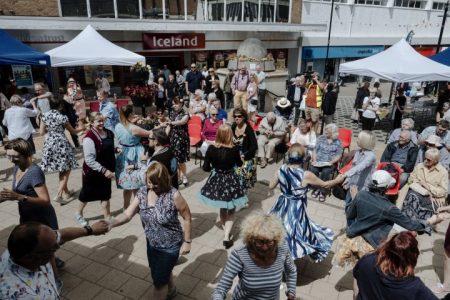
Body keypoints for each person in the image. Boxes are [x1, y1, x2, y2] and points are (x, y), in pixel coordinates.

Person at [109, 162, 192, 300]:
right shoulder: (142, 192)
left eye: (156, 184)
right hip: (151, 242)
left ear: (164, 180)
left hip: (170, 245)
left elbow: (187, 217)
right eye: (149, 183)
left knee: (158, 283)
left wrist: (187, 241)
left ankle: (165, 290)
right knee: (158, 272)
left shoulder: (174, 195)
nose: (152, 187)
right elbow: (128, 214)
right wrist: (111, 223)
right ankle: (171, 290)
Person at [334, 170, 440, 268]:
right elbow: (410, 225)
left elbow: (349, 215)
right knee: (363, 277)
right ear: (387, 188)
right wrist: (431, 221)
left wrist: (355, 225)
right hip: (370, 246)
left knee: (357, 272)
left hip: (353, 238)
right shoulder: (389, 208)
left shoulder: (361, 195)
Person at [2, 138, 63, 289]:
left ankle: (55, 281)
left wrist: (19, 197)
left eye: (15, 156)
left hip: (41, 217)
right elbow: (18, 191)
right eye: (8, 155)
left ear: (26, 154)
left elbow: (45, 200)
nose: (11, 159)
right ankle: (54, 258)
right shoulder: (18, 167)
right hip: (27, 214)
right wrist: (7, 196)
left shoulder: (34, 172)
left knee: (44, 251)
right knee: (41, 247)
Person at [269, 144, 345, 262]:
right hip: (296, 209)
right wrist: (338, 180)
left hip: (281, 204)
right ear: (304, 158)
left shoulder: (281, 169)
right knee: (295, 231)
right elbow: (325, 185)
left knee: (279, 229)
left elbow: (270, 186)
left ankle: (278, 255)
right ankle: (288, 259)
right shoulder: (306, 175)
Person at [0, 221, 109, 299]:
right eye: (54, 248)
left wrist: (90, 230)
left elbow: (61, 235)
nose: (58, 246)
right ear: (30, 257)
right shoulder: (19, 294)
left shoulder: (19, 248)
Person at [212, 212, 297, 300]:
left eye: (270, 242)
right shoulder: (239, 255)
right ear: (250, 239)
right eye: (260, 242)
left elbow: (291, 271)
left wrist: (291, 292)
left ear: (277, 240)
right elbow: (221, 289)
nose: (265, 247)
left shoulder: (282, 249)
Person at [198, 124, 248, 248]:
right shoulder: (235, 149)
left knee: (222, 206)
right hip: (231, 180)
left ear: (218, 135)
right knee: (231, 208)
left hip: (217, 179)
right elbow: (240, 164)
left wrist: (214, 167)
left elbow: (205, 168)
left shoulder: (211, 149)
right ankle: (226, 237)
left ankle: (226, 230)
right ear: (230, 135)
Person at [354, 231, 439, 300]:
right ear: (413, 258)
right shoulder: (413, 287)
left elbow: (356, 278)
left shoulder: (367, 260)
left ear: (388, 247)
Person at [76, 113, 115, 226]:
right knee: (86, 195)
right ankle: (78, 213)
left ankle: (107, 216)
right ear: (92, 122)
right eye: (98, 121)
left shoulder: (109, 133)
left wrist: (117, 150)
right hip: (92, 172)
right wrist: (104, 170)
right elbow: (89, 160)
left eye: (102, 120)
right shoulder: (89, 138)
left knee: (106, 194)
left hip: (106, 171)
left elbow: (110, 148)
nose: (101, 123)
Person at [39, 97, 81, 202]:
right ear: (61, 106)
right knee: (67, 168)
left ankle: (66, 192)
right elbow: (73, 132)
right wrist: (84, 128)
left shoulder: (44, 116)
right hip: (61, 144)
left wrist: (50, 128)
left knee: (62, 168)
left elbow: (41, 133)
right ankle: (58, 194)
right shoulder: (62, 117)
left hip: (50, 143)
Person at [115, 105, 152, 209]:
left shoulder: (118, 125)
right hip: (134, 155)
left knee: (127, 185)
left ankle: (126, 206)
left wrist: (133, 122)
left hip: (123, 154)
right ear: (130, 114)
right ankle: (138, 207)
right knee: (137, 184)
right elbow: (150, 134)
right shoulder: (134, 128)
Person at [402, 148, 448, 221]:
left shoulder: (443, 172)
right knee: (413, 195)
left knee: (414, 198)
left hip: (432, 197)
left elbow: (443, 191)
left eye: (429, 160)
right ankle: (409, 220)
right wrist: (419, 183)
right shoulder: (420, 166)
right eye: (425, 158)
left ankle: (411, 220)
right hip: (416, 192)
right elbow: (411, 179)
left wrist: (429, 187)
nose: (426, 161)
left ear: (436, 161)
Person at [343, 131, 377, 213]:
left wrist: (346, 174)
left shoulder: (371, 156)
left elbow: (360, 167)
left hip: (362, 187)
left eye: (358, 138)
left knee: (356, 209)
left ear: (364, 141)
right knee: (348, 205)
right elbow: (354, 166)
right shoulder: (358, 151)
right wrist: (348, 179)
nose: (356, 140)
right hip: (353, 183)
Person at [309, 124, 343, 202]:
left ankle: (323, 191)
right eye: (326, 129)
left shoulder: (338, 142)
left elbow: (339, 155)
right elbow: (315, 150)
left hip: (330, 163)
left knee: (326, 171)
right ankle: (316, 188)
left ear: (333, 132)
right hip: (318, 161)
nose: (325, 131)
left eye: (328, 130)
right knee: (313, 169)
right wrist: (314, 160)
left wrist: (331, 162)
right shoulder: (321, 138)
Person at [232, 108, 257, 189]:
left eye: (239, 116)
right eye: (235, 116)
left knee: (244, 180)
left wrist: (244, 155)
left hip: (246, 157)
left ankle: (244, 197)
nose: (236, 118)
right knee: (233, 178)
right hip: (235, 156)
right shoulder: (233, 126)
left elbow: (254, 146)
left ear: (244, 117)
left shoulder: (248, 129)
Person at [168, 97, 190, 186]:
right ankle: (177, 177)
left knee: (181, 160)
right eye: (173, 104)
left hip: (181, 139)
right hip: (173, 138)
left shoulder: (186, 113)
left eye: (176, 104)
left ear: (181, 104)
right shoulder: (172, 112)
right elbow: (169, 121)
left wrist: (170, 123)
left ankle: (184, 176)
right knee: (174, 159)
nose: (174, 106)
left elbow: (181, 122)